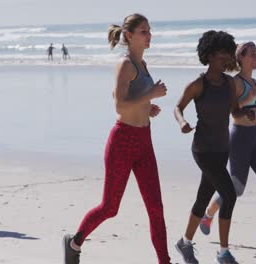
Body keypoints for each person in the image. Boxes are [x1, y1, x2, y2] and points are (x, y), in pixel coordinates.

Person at [63, 13, 171, 264]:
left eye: (150, 30)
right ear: (129, 36)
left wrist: (148, 109)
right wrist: (150, 95)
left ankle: (164, 261)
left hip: (144, 142)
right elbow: (120, 106)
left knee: (156, 209)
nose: (149, 35)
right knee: (110, 208)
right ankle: (74, 243)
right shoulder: (125, 65)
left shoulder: (143, 65)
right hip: (123, 142)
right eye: (143, 31)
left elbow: (135, 101)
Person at [198, 41, 256, 246]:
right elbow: (234, 111)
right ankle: (208, 214)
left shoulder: (254, 82)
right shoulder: (236, 83)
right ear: (241, 58)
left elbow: (251, 110)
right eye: (253, 54)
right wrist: (254, 112)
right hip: (240, 138)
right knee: (237, 188)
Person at [174, 30, 253, 264]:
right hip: (203, 149)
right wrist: (183, 122)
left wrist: (248, 113)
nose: (227, 60)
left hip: (222, 149)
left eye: (229, 55)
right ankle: (224, 251)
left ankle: (184, 242)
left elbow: (234, 110)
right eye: (222, 56)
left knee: (203, 197)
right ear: (208, 56)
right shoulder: (198, 84)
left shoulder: (229, 84)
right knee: (228, 194)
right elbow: (178, 107)